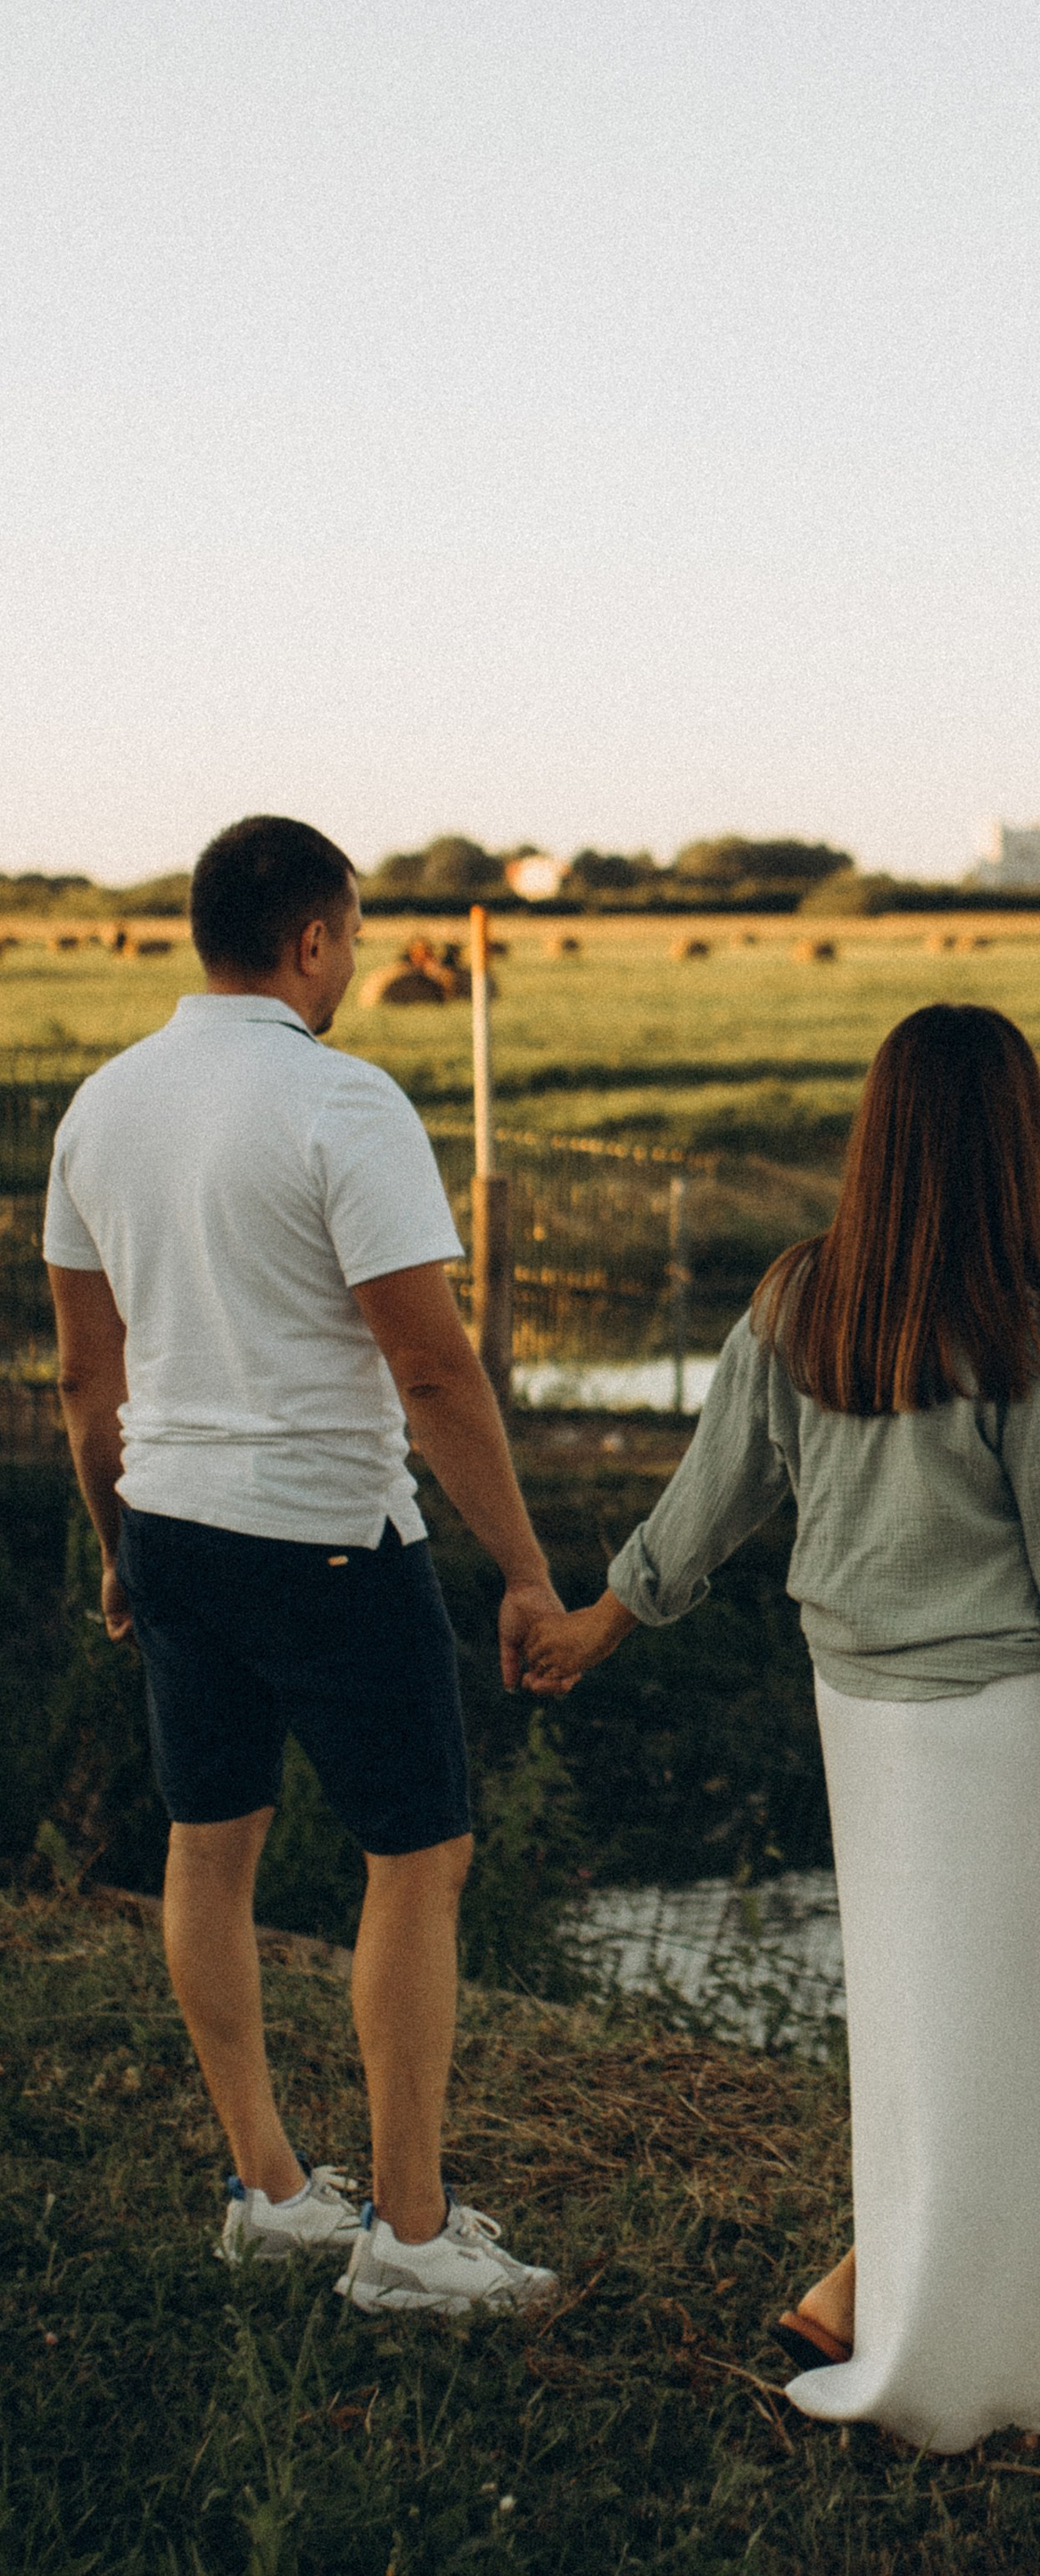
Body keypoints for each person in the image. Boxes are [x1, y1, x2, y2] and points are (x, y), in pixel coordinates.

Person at [523, 1002, 1040, 2452]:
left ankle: (896, 2295)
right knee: (1015, 2041)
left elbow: (709, 1502)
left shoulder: (799, 1302)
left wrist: (604, 1615)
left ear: (879, 1132)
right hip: (996, 1731)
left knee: (919, 2035)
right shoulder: (1037, 1341)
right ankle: (960, 2343)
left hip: (861, 1717)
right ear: (1013, 1143)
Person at [44, 813, 562, 2317]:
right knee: (420, 1856)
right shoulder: (346, 1104)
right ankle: (408, 2232)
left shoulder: (102, 1110)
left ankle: (269, 2190)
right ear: (319, 941)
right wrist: (525, 1569)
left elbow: (88, 1378)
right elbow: (437, 1376)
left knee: (209, 1846)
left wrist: (117, 1544)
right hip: (330, 1535)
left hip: (176, 1523)